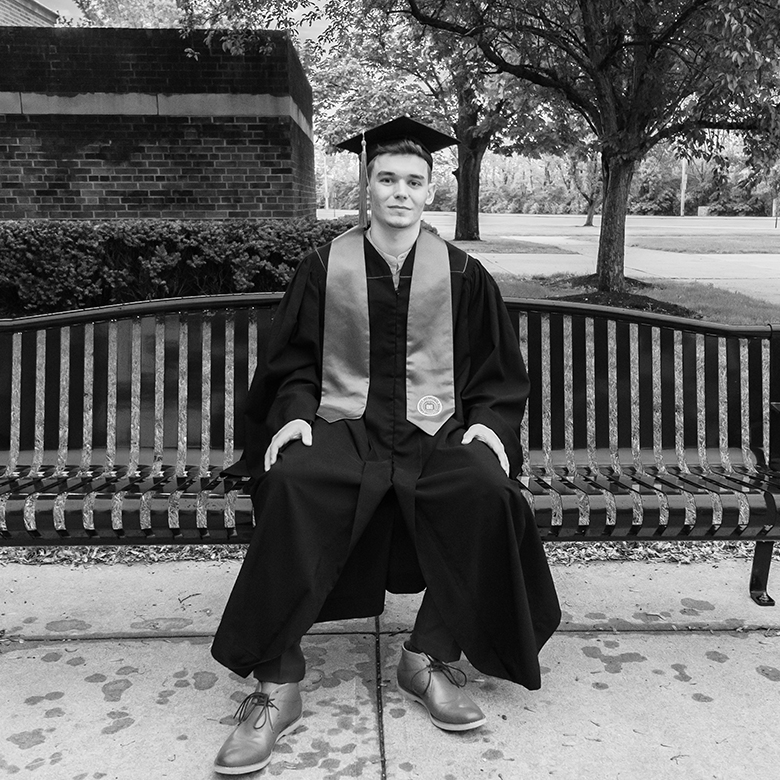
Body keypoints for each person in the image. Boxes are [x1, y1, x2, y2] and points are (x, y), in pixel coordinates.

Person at [211, 116, 560, 775]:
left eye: (414, 182)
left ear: (432, 192)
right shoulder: (325, 267)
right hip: (347, 425)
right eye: (387, 179)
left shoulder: (461, 273)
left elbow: (495, 371)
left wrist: (492, 424)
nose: (401, 192)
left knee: (486, 490)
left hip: (437, 431)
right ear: (366, 186)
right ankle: (277, 683)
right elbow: (296, 365)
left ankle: (425, 656)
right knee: (290, 482)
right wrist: (290, 414)